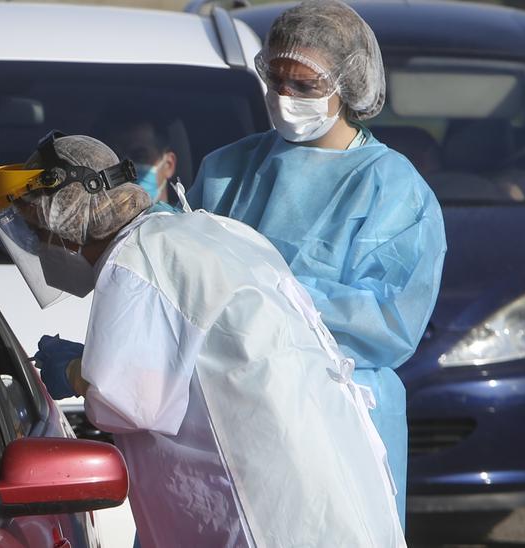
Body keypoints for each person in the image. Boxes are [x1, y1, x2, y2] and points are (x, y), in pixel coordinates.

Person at [0, 132, 404, 546]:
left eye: (39, 233)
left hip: (270, 515)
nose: (40, 248)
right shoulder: (201, 233)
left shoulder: (137, 260)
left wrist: (76, 371)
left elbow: (129, 400)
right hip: (333, 496)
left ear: (70, 220)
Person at [186, 0, 447, 521]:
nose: (284, 97)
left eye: (303, 86)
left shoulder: (393, 190)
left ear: (348, 88)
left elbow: (389, 322)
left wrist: (269, 294)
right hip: (228, 408)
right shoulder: (227, 170)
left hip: (335, 418)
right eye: (275, 80)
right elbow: (184, 281)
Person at [100, 113, 179, 203]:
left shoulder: (192, 217)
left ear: (169, 165)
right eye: (115, 157)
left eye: (139, 157)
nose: (123, 170)